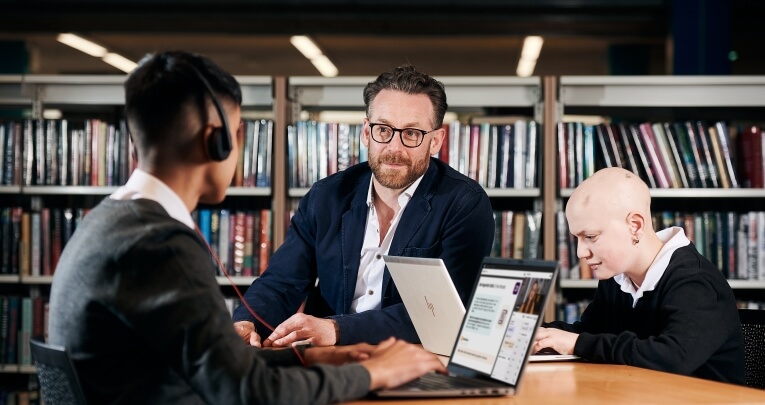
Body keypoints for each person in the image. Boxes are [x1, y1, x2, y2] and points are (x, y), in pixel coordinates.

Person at [48, 51, 445, 404]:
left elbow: (213, 368)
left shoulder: (109, 221)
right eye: (239, 132)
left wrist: (316, 355)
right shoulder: (160, 245)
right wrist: (374, 372)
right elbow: (249, 392)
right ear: (217, 141)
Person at [233, 65, 495, 348]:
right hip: (331, 364)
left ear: (435, 141)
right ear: (366, 133)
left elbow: (440, 315)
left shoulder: (464, 204)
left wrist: (337, 329)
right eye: (383, 129)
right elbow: (282, 281)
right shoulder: (327, 196)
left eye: (411, 133)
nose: (394, 148)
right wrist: (248, 322)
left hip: (415, 361)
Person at [532, 167, 745, 384]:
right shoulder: (617, 278)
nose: (580, 252)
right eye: (577, 239)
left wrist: (578, 343)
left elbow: (672, 359)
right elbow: (589, 333)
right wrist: (534, 334)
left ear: (635, 226)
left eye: (590, 236)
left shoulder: (696, 282)